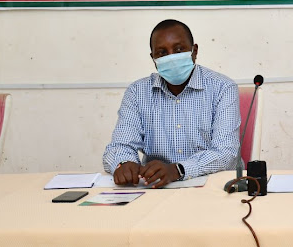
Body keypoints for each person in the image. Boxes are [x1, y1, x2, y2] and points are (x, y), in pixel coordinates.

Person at [103, 19, 240, 188]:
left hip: (213, 187)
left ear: (194, 51)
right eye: (162, 53)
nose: (171, 58)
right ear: (153, 58)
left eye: (179, 49)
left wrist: (178, 170)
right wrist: (123, 163)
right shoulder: (137, 92)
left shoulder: (223, 87)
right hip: (156, 187)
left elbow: (226, 153)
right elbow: (120, 146)